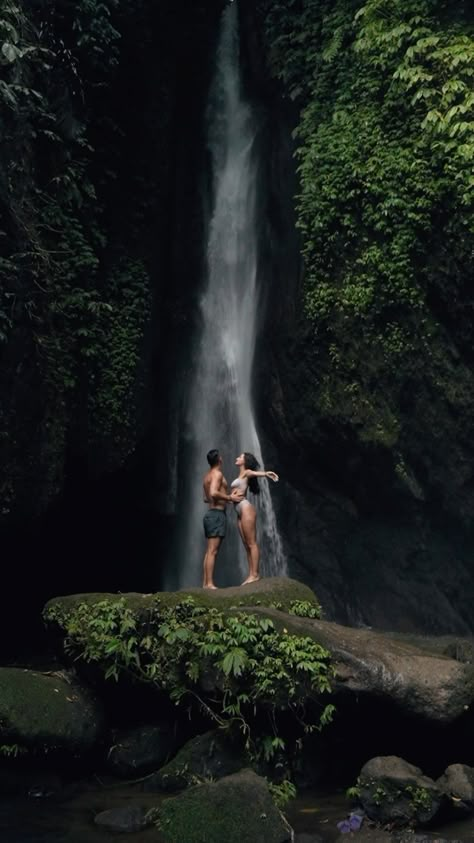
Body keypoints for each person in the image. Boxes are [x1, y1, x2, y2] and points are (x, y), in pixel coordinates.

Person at [230, 452, 279, 585]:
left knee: (252, 543)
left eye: (239, 457)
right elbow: (234, 494)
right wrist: (230, 497)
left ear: (245, 461)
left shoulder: (246, 472)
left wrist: (267, 473)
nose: (237, 458)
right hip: (239, 511)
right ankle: (251, 574)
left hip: (246, 509)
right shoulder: (239, 475)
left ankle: (255, 574)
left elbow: (255, 473)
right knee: (246, 545)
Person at [202, 449, 242, 589]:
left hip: (210, 514)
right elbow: (213, 493)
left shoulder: (207, 476)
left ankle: (205, 583)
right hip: (217, 515)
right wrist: (229, 497)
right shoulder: (217, 474)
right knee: (213, 551)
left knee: (209, 550)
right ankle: (210, 584)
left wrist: (226, 499)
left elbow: (205, 498)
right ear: (219, 459)